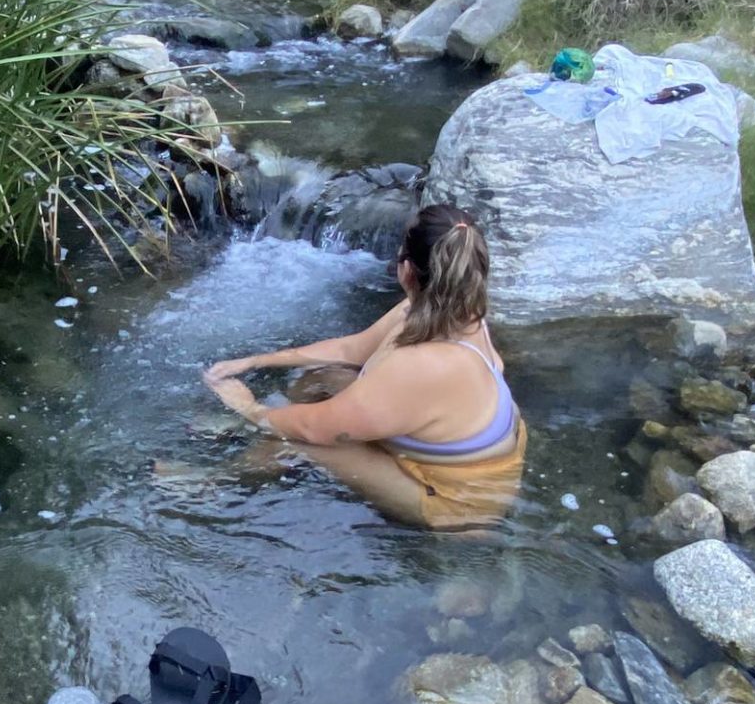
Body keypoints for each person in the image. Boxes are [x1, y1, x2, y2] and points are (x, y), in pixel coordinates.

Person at [202, 204, 525, 529]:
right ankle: (253, 435)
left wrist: (250, 408)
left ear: (407, 270)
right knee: (323, 378)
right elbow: (349, 349)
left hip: (459, 501)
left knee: (301, 441)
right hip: (463, 455)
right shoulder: (452, 311)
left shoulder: (424, 365)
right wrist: (258, 359)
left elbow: (313, 430)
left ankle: (209, 486)